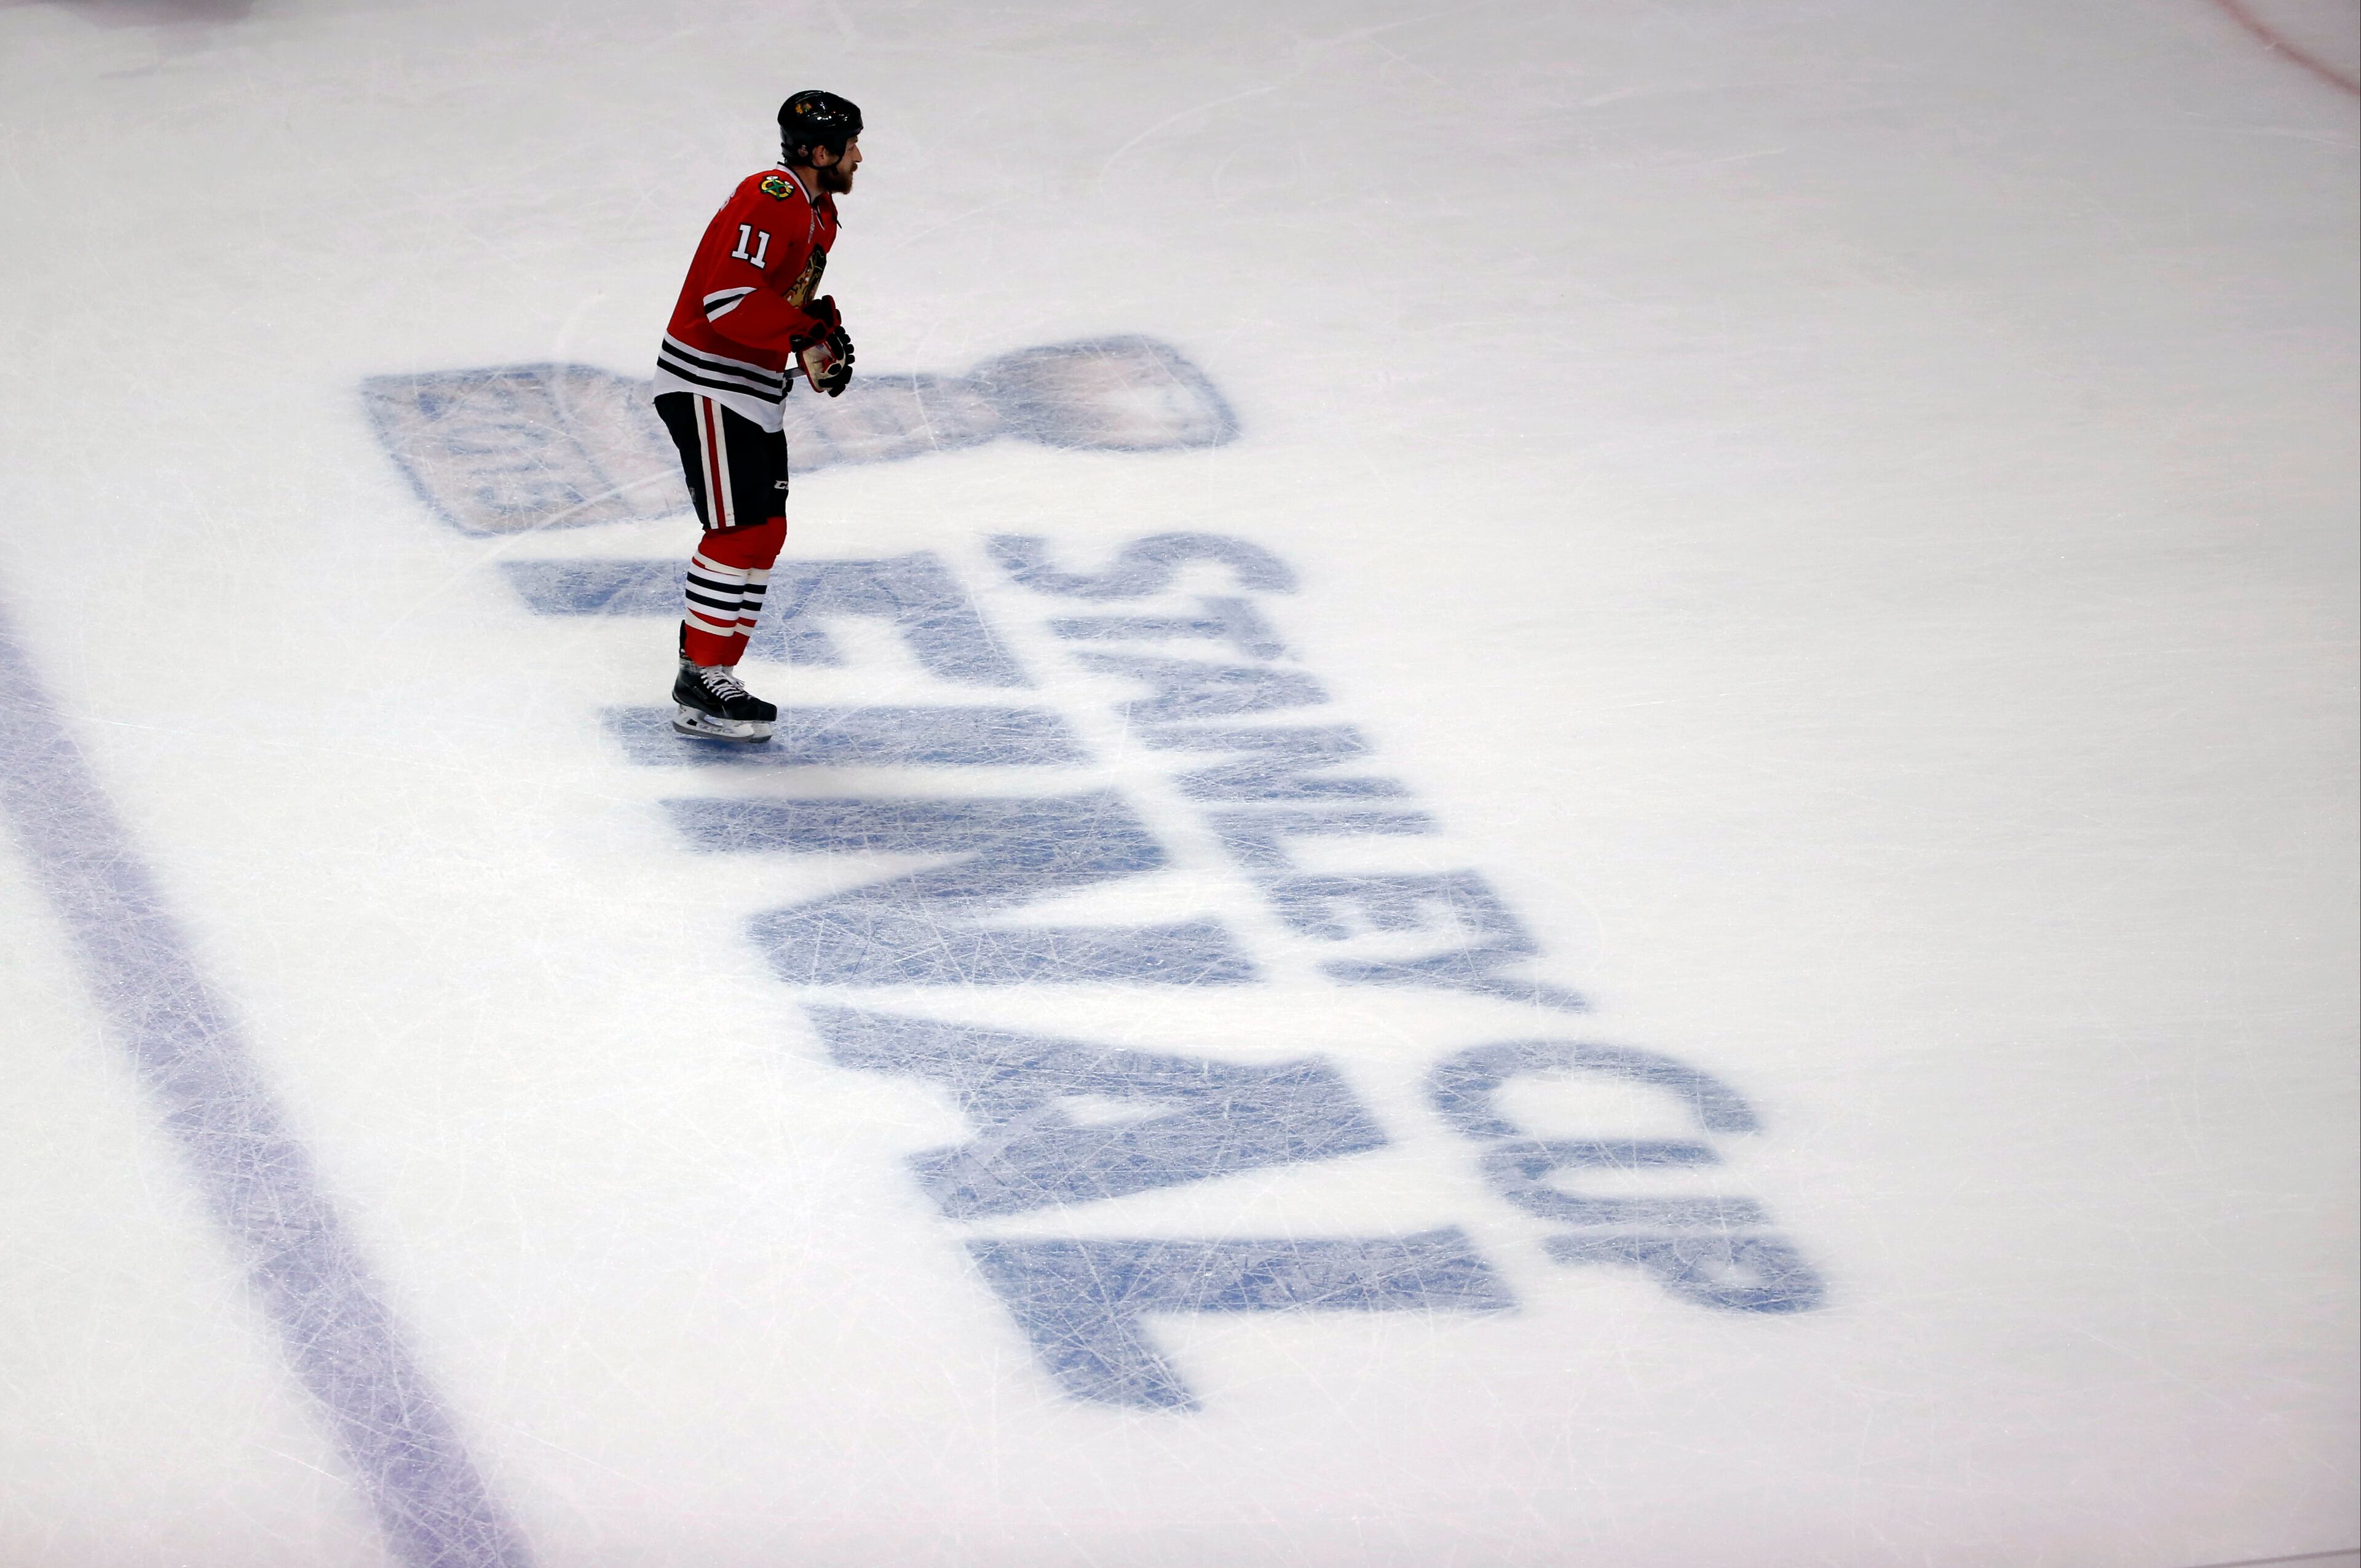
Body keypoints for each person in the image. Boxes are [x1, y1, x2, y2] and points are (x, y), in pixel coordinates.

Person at [651, 90, 863, 741]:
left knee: (764, 532)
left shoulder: (817, 212)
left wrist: (813, 331)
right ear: (820, 153)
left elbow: (771, 302)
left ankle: (718, 675)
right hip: (708, 384)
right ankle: (700, 680)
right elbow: (728, 302)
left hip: (750, 387)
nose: (860, 157)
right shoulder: (770, 197)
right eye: (851, 145)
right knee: (737, 532)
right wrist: (803, 331)